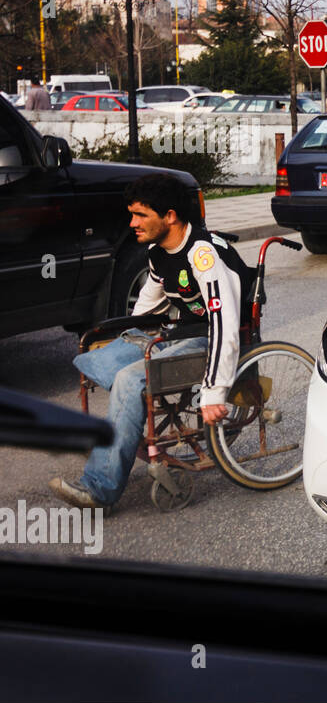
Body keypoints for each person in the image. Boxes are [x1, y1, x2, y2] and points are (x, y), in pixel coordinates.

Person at [49, 175, 251, 510]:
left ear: (169, 216)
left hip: (212, 340)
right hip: (181, 333)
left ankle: (99, 488)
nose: (132, 224)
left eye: (141, 215)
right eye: (132, 215)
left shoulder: (203, 256)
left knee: (130, 379)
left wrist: (215, 391)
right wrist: (118, 338)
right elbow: (147, 307)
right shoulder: (159, 254)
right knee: (91, 357)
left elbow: (225, 325)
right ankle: (117, 437)